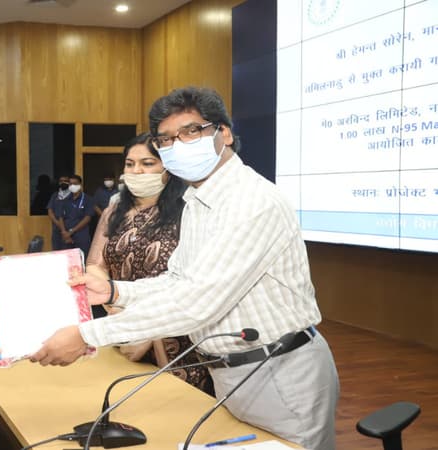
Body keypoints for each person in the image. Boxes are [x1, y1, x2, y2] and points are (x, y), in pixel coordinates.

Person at [30, 87, 339, 450]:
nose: (177, 146)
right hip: (231, 372)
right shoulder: (198, 200)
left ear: (224, 133)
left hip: (279, 372)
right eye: (166, 139)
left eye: (191, 132)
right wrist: (116, 291)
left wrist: (87, 335)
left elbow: (196, 303)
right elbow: (179, 279)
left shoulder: (252, 201)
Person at [86, 134, 212, 394]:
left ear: (168, 167)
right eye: (130, 164)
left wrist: (147, 330)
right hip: (122, 331)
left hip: (177, 338)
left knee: (177, 406)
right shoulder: (114, 211)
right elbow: (95, 266)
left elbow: (192, 283)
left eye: (147, 163)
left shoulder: (190, 210)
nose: (136, 171)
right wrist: (120, 314)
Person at [50, 175, 96, 257]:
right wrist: (64, 232)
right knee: (66, 260)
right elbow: (60, 217)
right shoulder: (65, 199)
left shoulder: (88, 199)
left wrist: (71, 232)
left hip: (81, 236)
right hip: (66, 237)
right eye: (70, 184)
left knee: (81, 260)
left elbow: (87, 218)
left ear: (80, 185)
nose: (72, 186)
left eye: (75, 184)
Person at [47, 175, 70, 250]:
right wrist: (57, 223)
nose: (63, 183)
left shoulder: (73, 195)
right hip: (56, 227)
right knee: (56, 248)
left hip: (69, 227)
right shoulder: (55, 195)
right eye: (61, 181)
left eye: (65, 181)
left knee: (67, 249)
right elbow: (50, 210)